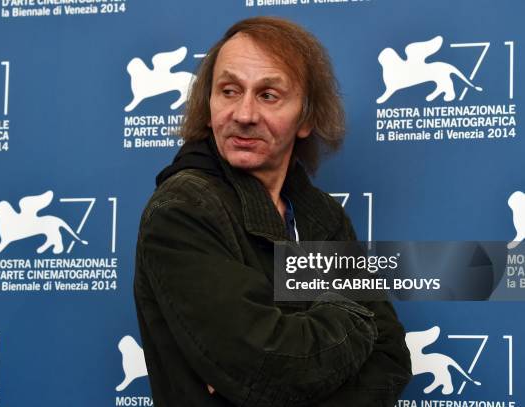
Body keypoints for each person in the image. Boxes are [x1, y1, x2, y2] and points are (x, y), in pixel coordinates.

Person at [134, 16, 412, 406]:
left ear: (306, 118)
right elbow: (272, 369)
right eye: (229, 91)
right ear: (208, 103)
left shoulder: (323, 217)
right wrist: (353, 310)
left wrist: (295, 362)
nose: (244, 114)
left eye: (268, 95)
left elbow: (391, 360)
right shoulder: (183, 209)